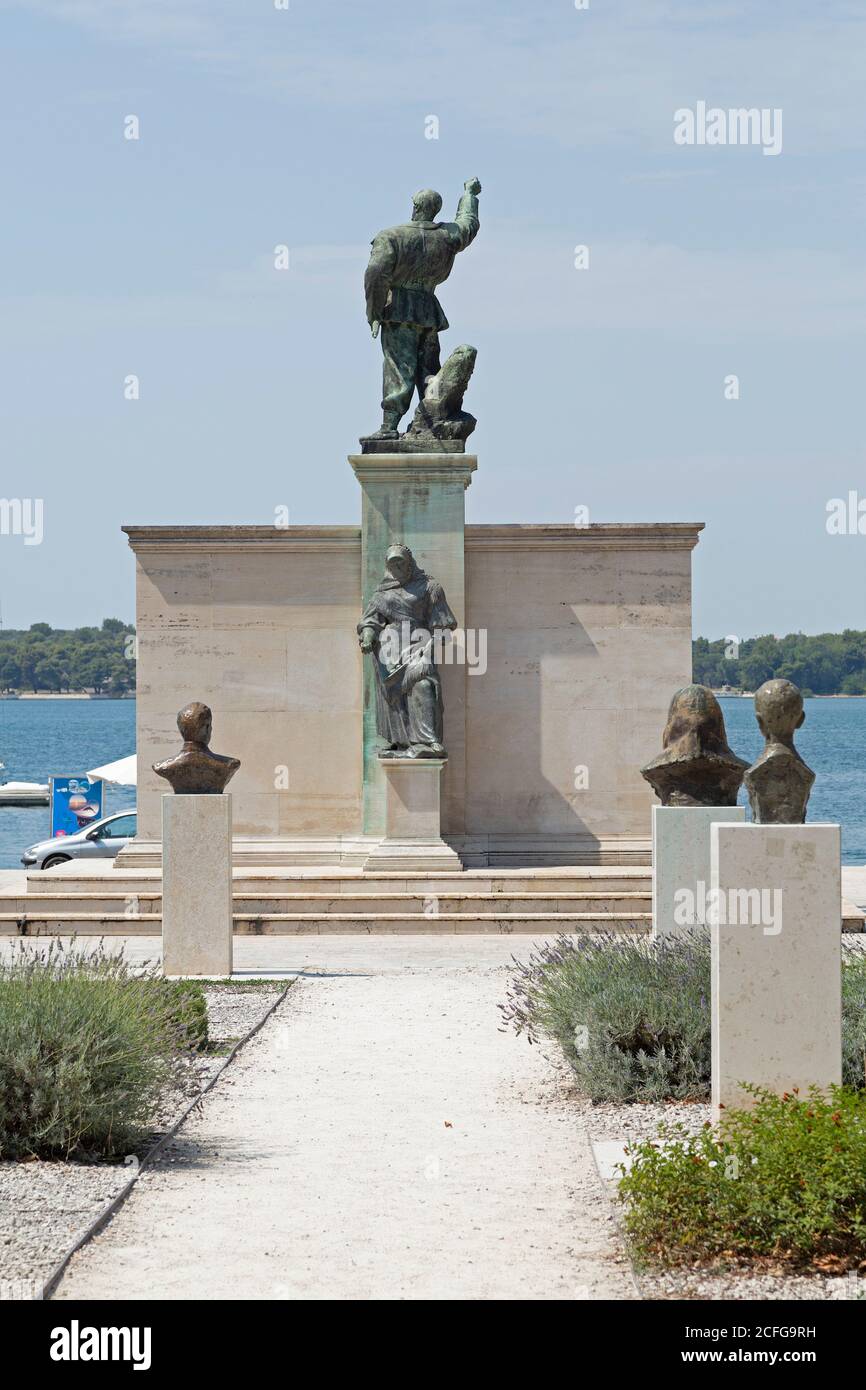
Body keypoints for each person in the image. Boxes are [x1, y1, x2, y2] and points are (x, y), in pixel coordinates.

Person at [364, 179, 481, 437]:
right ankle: (435, 417)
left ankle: (389, 427)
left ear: (415, 207)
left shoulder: (391, 237)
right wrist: (469, 195)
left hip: (399, 311)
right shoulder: (446, 236)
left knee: (399, 366)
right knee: (428, 370)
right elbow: (468, 225)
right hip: (428, 311)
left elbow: (376, 273)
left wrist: (374, 312)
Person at [357, 544, 457, 758]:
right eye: (393, 564)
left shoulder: (430, 587)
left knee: (423, 685)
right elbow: (370, 622)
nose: (398, 568)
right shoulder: (382, 594)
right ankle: (401, 743)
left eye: (401, 562)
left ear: (410, 562)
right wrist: (367, 637)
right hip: (390, 653)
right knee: (395, 696)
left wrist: (433, 644)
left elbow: (443, 625)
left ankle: (428, 743)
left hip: (419, 645)